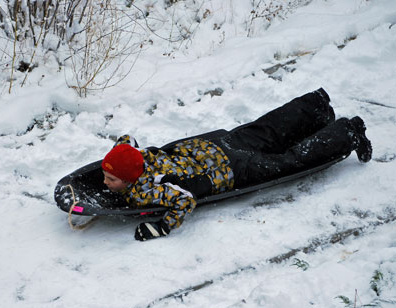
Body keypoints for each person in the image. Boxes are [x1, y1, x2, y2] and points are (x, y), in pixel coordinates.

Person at [101, 88, 372, 241]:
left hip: (231, 169)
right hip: (212, 147)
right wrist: (115, 157)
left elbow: (184, 201)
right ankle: (315, 107)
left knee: (290, 160)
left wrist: (160, 227)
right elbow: (128, 142)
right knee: (265, 131)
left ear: (129, 179)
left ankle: (348, 132)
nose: (105, 183)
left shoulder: (150, 190)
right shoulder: (141, 158)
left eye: (110, 179)